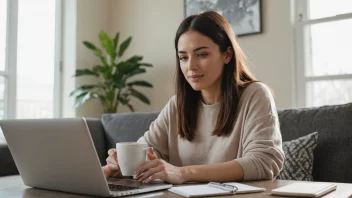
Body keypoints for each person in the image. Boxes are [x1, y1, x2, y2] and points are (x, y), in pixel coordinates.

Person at [103, 10, 284, 184]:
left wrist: (183, 173)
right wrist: (124, 165)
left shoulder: (255, 95)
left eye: (202, 54)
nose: (191, 67)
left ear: (227, 54)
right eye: (183, 57)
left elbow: (264, 162)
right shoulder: (177, 105)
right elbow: (147, 150)